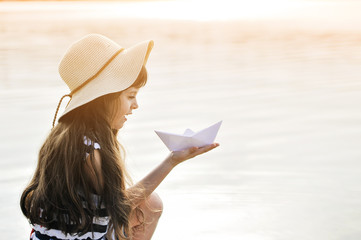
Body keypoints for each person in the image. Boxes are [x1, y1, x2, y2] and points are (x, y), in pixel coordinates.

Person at [20, 34, 219, 240]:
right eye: (131, 96)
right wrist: (172, 161)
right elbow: (119, 206)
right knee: (151, 205)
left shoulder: (66, 136)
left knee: (150, 205)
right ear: (104, 99)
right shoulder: (90, 153)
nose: (136, 105)